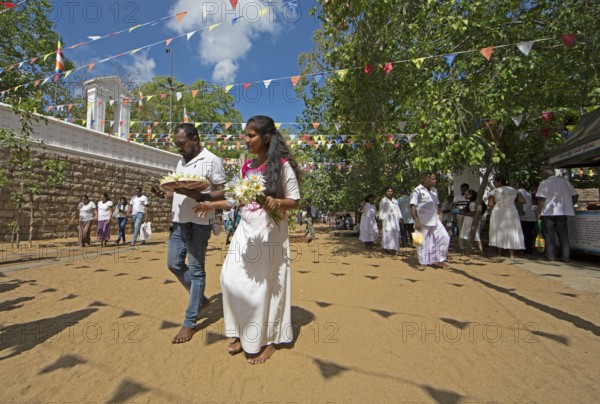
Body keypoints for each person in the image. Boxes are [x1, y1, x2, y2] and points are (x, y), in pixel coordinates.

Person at [195, 115, 301, 364]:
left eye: (251, 135)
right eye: (245, 134)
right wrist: (211, 205)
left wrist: (277, 201)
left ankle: (268, 340)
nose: (246, 139)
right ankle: (241, 331)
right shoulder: (246, 166)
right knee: (229, 278)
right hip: (245, 229)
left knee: (264, 287)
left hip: (270, 232)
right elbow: (237, 199)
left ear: (266, 138)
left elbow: (295, 202)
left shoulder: (282, 166)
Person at [158, 123, 226, 344]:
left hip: (198, 221)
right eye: (176, 144)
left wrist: (201, 196)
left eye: (181, 144)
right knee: (173, 264)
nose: (178, 148)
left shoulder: (212, 160)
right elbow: (177, 192)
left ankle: (189, 322)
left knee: (197, 271)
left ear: (194, 139)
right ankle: (201, 301)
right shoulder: (181, 161)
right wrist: (167, 193)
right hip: (178, 221)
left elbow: (222, 189)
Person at [535, 168, 579, 262]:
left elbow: (542, 199)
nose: (541, 176)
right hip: (562, 212)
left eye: (541, 174)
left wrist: (538, 212)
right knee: (563, 235)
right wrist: (569, 205)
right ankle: (565, 257)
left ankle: (550, 256)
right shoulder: (565, 182)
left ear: (545, 174)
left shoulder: (544, 183)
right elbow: (575, 196)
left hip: (548, 212)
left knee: (549, 235)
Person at [410, 172, 450, 268]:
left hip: (435, 219)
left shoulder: (434, 191)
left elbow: (437, 204)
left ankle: (439, 259)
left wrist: (439, 213)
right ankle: (423, 262)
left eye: (435, 179)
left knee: (444, 237)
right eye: (432, 179)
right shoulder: (417, 190)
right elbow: (412, 206)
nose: (435, 181)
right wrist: (416, 220)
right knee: (420, 241)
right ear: (425, 179)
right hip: (422, 220)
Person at [487, 175, 525, 259]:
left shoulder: (494, 191)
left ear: (500, 182)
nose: (494, 184)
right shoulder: (513, 190)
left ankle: (500, 253)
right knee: (512, 230)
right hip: (511, 211)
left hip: (498, 212)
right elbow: (522, 201)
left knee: (498, 230)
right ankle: (512, 254)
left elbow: (490, 204)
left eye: (495, 182)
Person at [458, 189, 485, 254]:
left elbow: (473, 213)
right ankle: (479, 251)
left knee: (473, 235)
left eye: (466, 194)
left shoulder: (473, 203)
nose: (465, 196)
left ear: (471, 195)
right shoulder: (473, 202)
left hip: (470, 220)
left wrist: (463, 213)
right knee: (475, 236)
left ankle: (477, 251)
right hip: (470, 220)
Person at [515, 180, 536, 255]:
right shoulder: (528, 193)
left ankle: (523, 249)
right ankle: (529, 249)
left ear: (518, 184)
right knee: (529, 234)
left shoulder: (518, 192)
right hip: (531, 216)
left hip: (523, 216)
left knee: (523, 234)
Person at [379, 186, 402, 254]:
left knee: (394, 234)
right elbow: (381, 211)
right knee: (388, 233)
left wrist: (401, 219)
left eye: (391, 191)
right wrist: (380, 220)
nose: (390, 192)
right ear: (385, 192)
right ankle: (387, 248)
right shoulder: (383, 200)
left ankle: (394, 247)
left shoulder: (395, 201)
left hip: (395, 221)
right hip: (387, 220)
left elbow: (398, 210)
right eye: (388, 191)